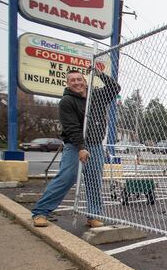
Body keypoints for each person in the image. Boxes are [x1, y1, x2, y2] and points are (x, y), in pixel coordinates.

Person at [31, 67, 121, 228]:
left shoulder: (98, 96)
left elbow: (115, 88)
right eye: (72, 80)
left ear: (85, 82)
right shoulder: (67, 101)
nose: (76, 83)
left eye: (79, 79)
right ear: (67, 83)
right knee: (67, 177)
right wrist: (81, 147)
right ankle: (40, 212)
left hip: (95, 145)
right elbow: (72, 127)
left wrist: (99, 74)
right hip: (75, 146)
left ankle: (93, 215)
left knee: (94, 181)